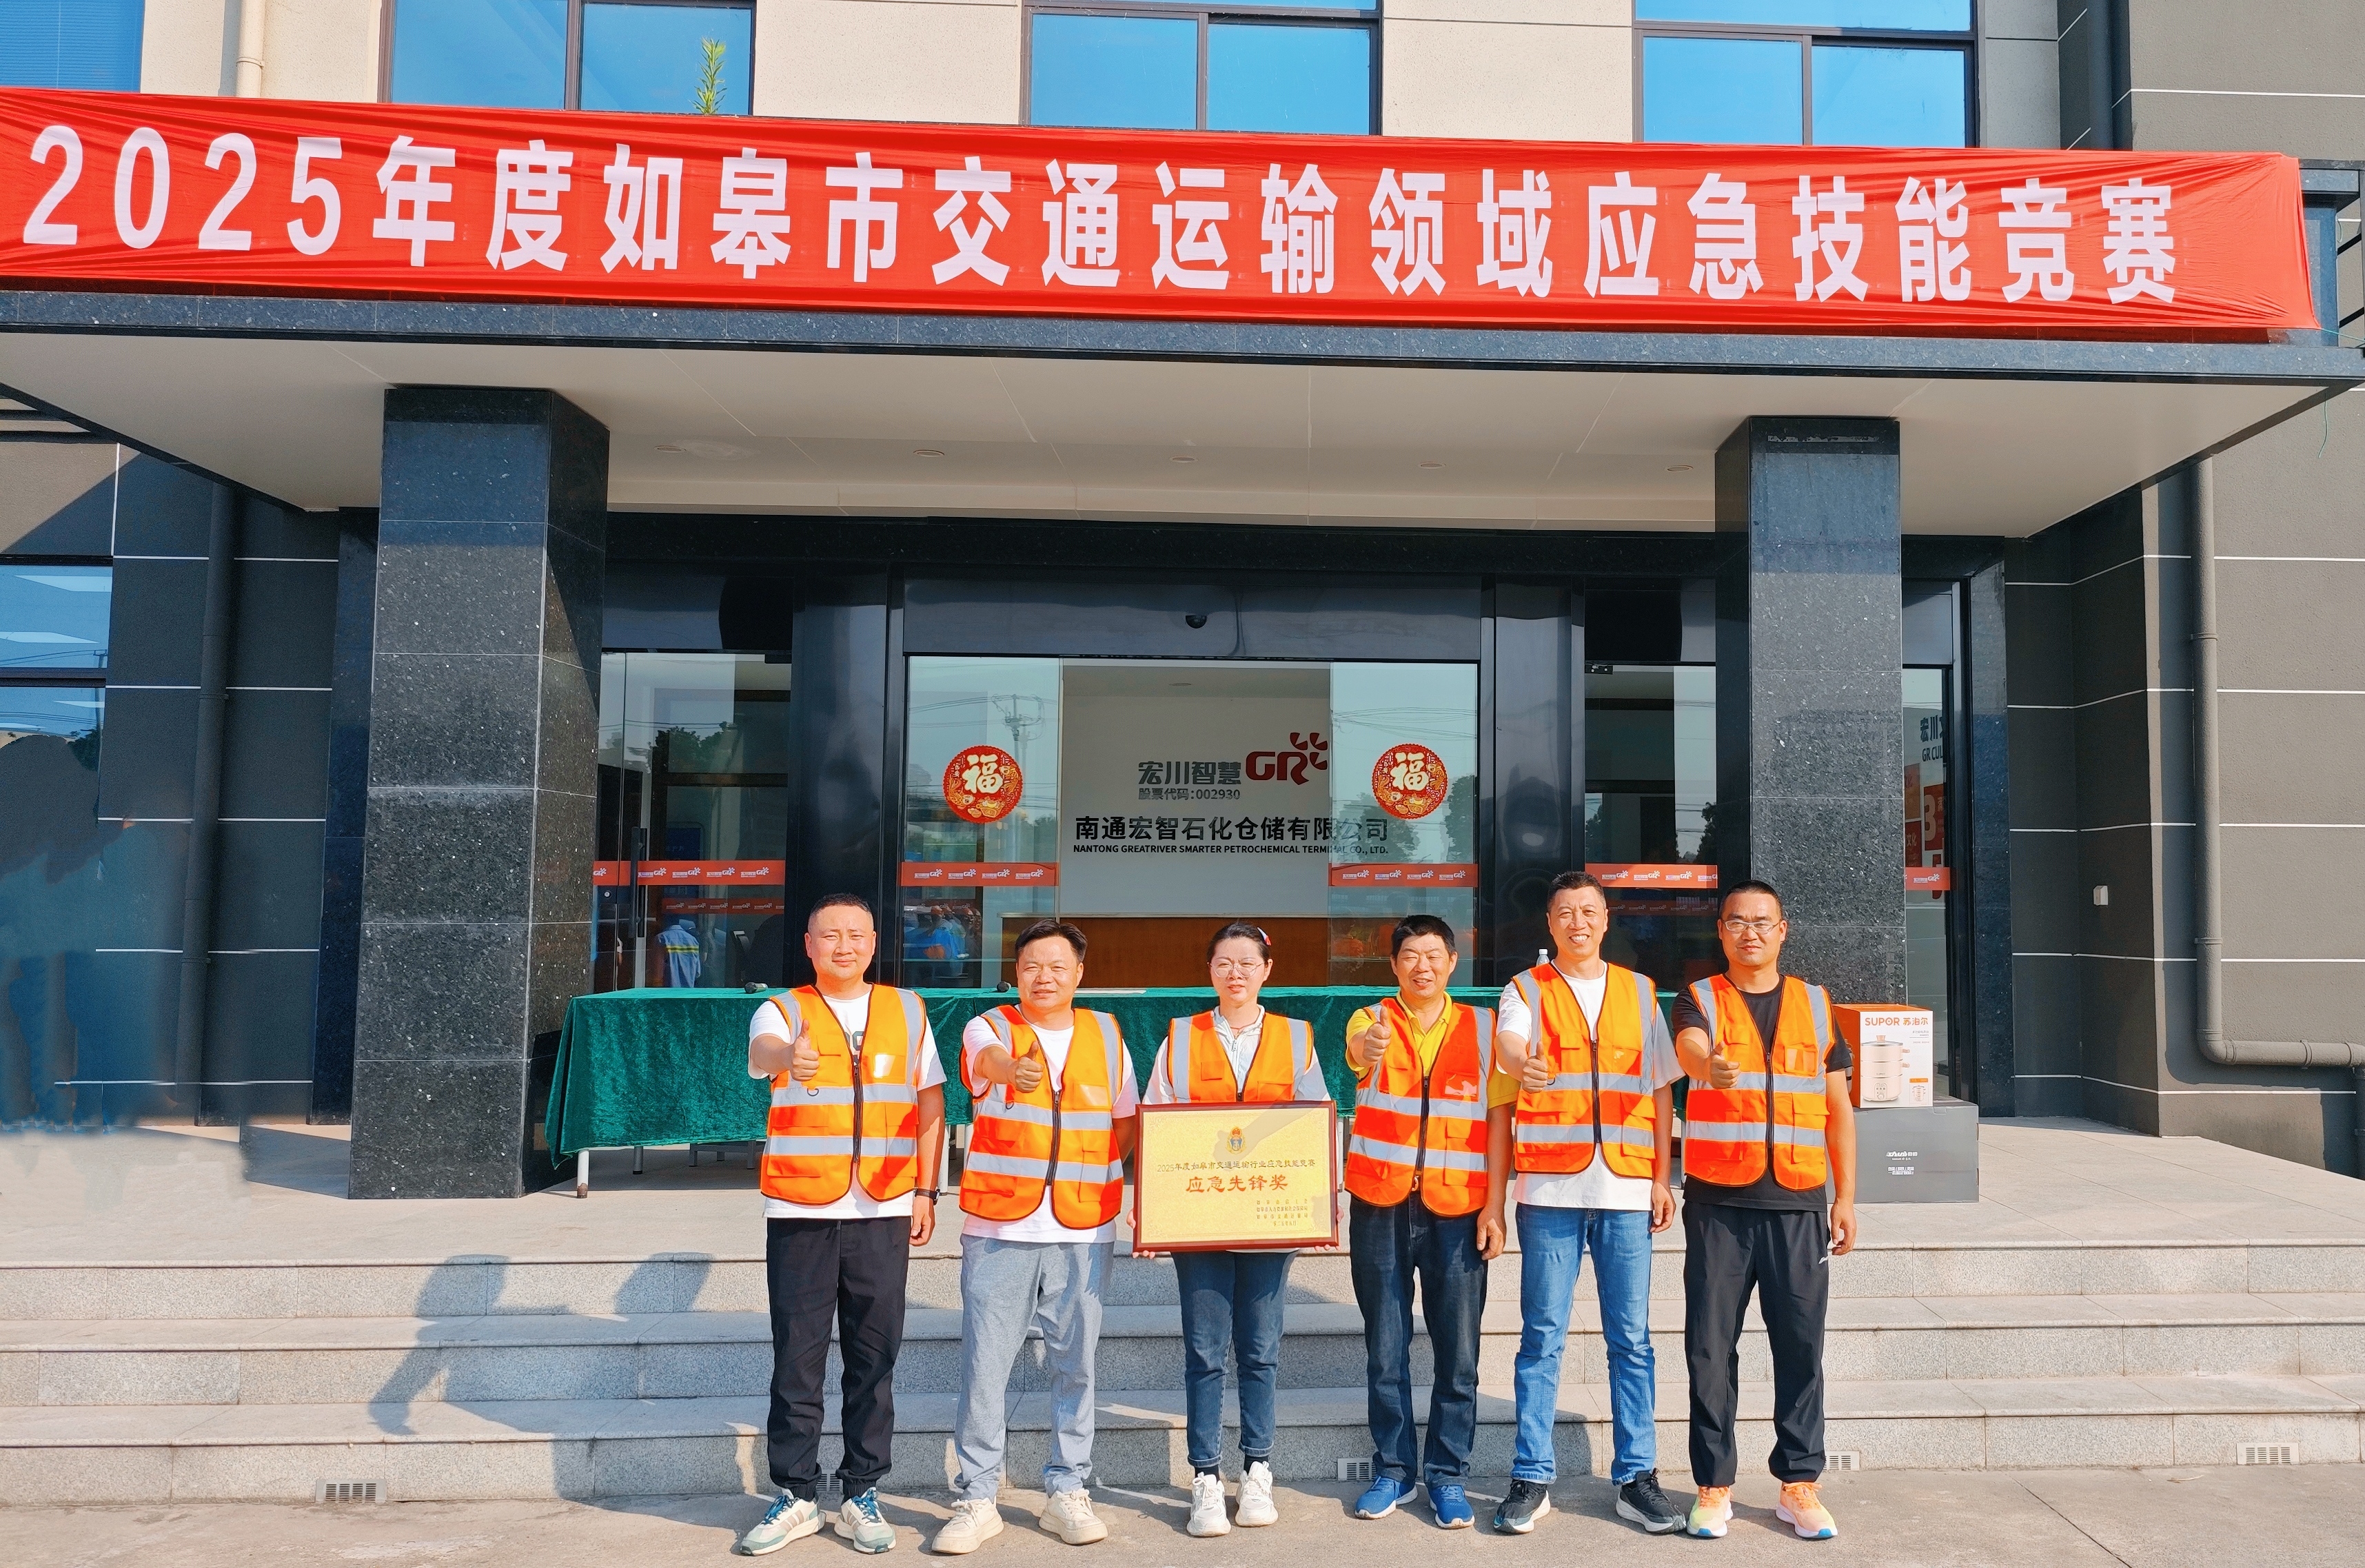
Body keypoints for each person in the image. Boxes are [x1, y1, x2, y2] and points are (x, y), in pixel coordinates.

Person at [736, 894, 947, 1557]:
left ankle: (861, 1490)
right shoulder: (783, 1009)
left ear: (874, 942)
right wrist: (788, 1058)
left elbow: (930, 1102)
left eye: (856, 934)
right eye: (830, 935)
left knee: (874, 1357)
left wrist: (926, 1190)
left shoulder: (908, 1010)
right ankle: (796, 1492)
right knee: (797, 1355)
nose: (844, 945)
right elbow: (765, 1051)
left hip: (883, 1206)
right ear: (809, 944)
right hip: (802, 1209)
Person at [1483, 871, 1686, 1536]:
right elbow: (1509, 1045)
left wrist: (1661, 1176)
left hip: (1625, 1187)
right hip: (1550, 1189)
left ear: (1605, 919)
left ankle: (1636, 1477)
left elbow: (1660, 1085)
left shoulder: (1639, 990)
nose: (1577, 922)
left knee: (1632, 1340)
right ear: (1550, 923)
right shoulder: (1524, 989)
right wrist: (1523, 1062)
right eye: (1565, 912)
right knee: (1541, 1338)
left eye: (1588, 911)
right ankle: (1531, 1475)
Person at [931, 919, 1139, 1556]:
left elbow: (1124, 1124)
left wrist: (1089, 1178)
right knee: (985, 1367)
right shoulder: (988, 1026)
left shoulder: (1107, 1034)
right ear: (1015, 972)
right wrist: (1013, 1070)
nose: (1043, 976)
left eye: (1056, 966)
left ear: (1080, 973)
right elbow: (986, 1064)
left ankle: (1068, 1487)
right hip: (1001, 1226)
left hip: (1083, 1227)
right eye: (1030, 966)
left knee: (1076, 1364)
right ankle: (977, 1495)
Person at [1670, 880, 1859, 1543]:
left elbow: (1837, 1109)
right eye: (1736, 922)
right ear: (1720, 930)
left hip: (1798, 1202)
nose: (1749, 932)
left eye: (1761, 921)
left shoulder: (1816, 1003)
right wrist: (1709, 1067)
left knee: (1801, 1345)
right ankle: (1712, 1485)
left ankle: (1798, 1482)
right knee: (1709, 1347)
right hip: (1719, 1203)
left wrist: (1846, 1198)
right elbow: (1689, 1049)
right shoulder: (1698, 998)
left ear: (1783, 930)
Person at [1139, 921, 1331, 1538]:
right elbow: (1157, 1120)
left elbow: (1314, 1122)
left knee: (1259, 1350)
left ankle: (1256, 1469)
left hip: (1268, 1216)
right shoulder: (1180, 1036)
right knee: (1203, 1351)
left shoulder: (1297, 1037)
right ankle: (1204, 1475)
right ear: (1210, 969)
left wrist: (1319, 1202)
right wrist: (1151, 1206)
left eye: (1248, 962)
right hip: (1200, 1213)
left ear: (1267, 969)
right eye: (1224, 962)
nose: (1236, 973)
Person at [1340, 914, 1503, 1530]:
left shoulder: (1484, 1027)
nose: (1422, 966)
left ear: (1453, 961)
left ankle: (1447, 1473)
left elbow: (1499, 1120)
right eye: (1409, 955)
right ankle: (1393, 1469)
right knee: (1385, 1348)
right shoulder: (1369, 1017)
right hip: (1380, 1204)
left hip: (1458, 1208)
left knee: (1458, 1352)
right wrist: (1370, 1046)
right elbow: (1360, 1053)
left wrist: (1495, 1205)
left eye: (1433, 955)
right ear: (1394, 964)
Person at [662, 910, 704, 987]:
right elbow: (697, 973)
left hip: (667, 991)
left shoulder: (662, 938)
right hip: (688, 991)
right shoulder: (693, 940)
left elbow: (657, 974)